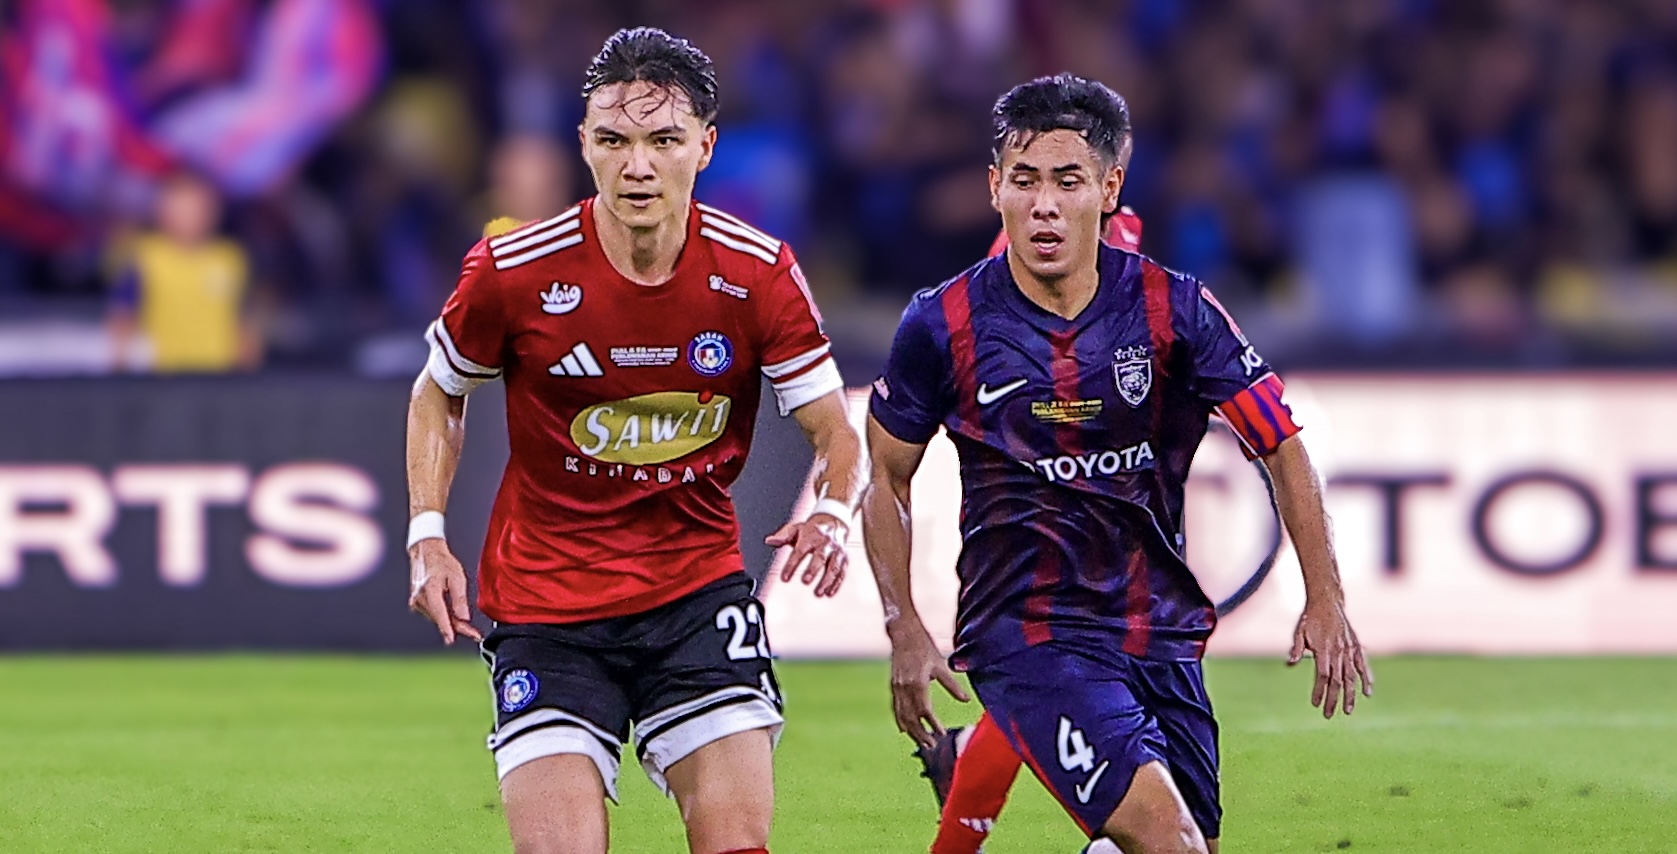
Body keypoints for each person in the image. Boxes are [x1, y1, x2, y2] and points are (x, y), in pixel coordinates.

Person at [861, 74, 1373, 854]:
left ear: (1108, 189)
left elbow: (1281, 442)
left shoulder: (1177, 309)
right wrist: (904, 626)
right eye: (1024, 180)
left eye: (1067, 182)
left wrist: (1325, 596)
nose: (1044, 204)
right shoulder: (943, 322)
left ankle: (980, 765)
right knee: (1168, 842)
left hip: (1158, 631)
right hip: (1026, 633)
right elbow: (886, 477)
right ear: (994, 188)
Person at [404, 28, 861, 854]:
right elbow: (438, 392)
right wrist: (427, 535)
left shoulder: (756, 273)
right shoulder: (513, 270)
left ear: (705, 147)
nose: (637, 166)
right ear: (583, 144)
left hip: (693, 597)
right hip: (546, 608)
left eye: (663, 141)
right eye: (614, 141)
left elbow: (834, 428)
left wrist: (829, 512)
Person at [914, 207, 1144, 854]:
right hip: (1034, 507)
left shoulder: (1120, 232)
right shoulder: (1023, 251)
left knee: (1072, 672)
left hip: (1092, 502)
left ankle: (972, 760)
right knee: (1052, 667)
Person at [108, 169, 261, 373]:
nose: (188, 218)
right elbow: (123, 317)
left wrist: (248, 372)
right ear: (162, 211)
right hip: (161, 374)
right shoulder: (143, 257)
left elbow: (243, 321)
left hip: (220, 376)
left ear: (213, 212)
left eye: (195, 209)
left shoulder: (230, 258)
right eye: (180, 209)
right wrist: (120, 370)